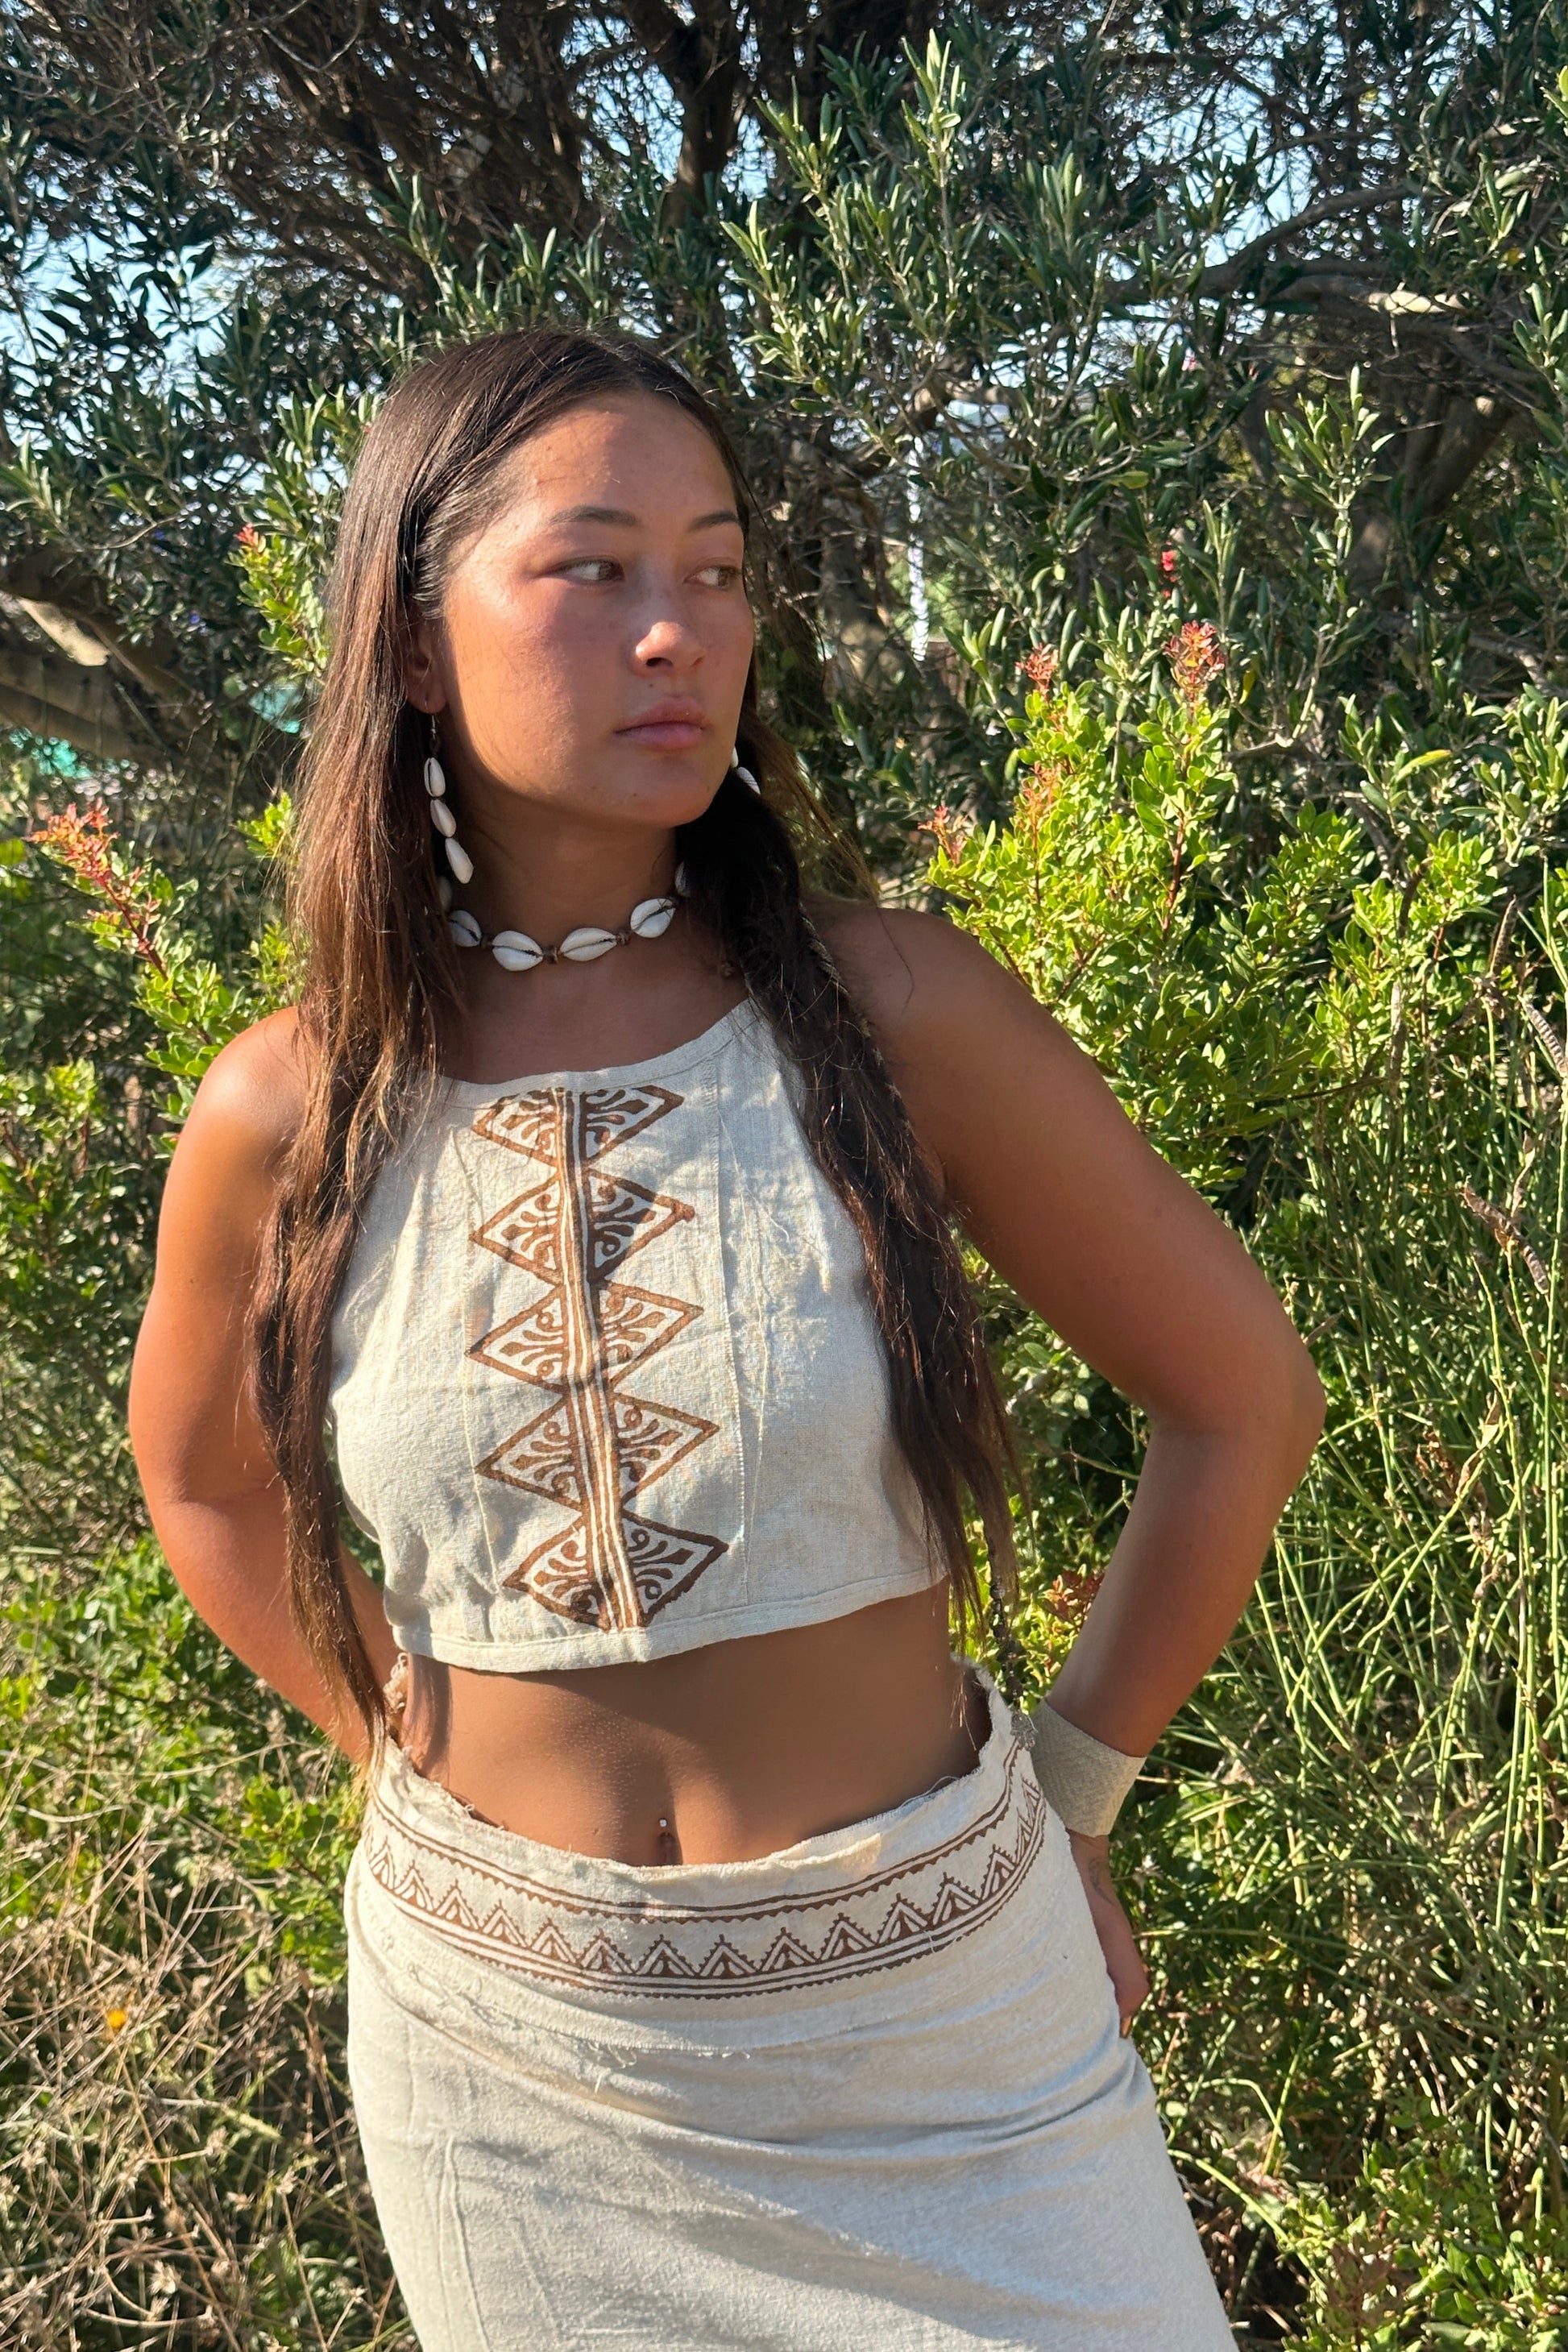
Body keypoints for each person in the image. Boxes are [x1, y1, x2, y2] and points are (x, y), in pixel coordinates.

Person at [129, 327, 1324, 2351]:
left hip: (940, 2008)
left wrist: (1074, 1794)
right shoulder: (291, 1104)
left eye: (720, 567)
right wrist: (384, 1749)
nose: (678, 630)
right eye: (593, 569)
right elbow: (203, 1487)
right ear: (414, 642)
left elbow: (1240, 1400)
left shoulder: (898, 1013)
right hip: (507, 2048)